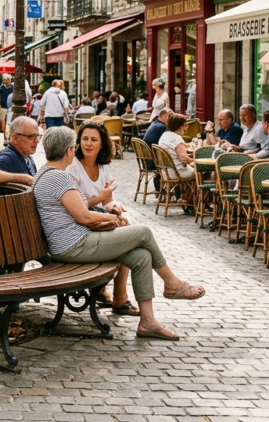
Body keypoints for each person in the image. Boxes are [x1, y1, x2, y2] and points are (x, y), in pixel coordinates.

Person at [34, 126, 205, 340]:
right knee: (143, 232)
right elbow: (84, 216)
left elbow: (82, 212)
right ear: (69, 150)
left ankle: (147, 322)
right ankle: (172, 284)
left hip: (72, 242)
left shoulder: (45, 173)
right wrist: (112, 218)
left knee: (141, 256)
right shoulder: (59, 178)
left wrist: (108, 215)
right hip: (73, 245)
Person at [67, 121, 136, 315]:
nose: (88, 144)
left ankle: (111, 294)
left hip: (97, 219)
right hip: (79, 225)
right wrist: (100, 200)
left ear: (102, 144)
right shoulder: (73, 166)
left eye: (94, 140)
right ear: (78, 142)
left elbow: (108, 201)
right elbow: (76, 207)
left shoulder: (103, 166)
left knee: (126, 226)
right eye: (85, 139)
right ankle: (116, 298)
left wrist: (115, 209)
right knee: (128, 238)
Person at [0, 116, 39, 186]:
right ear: (15, 139)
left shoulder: (28, 158)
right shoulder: (9, 156)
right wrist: (25, 178)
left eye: (38, 136)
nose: (37, 141)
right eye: (31, 137)